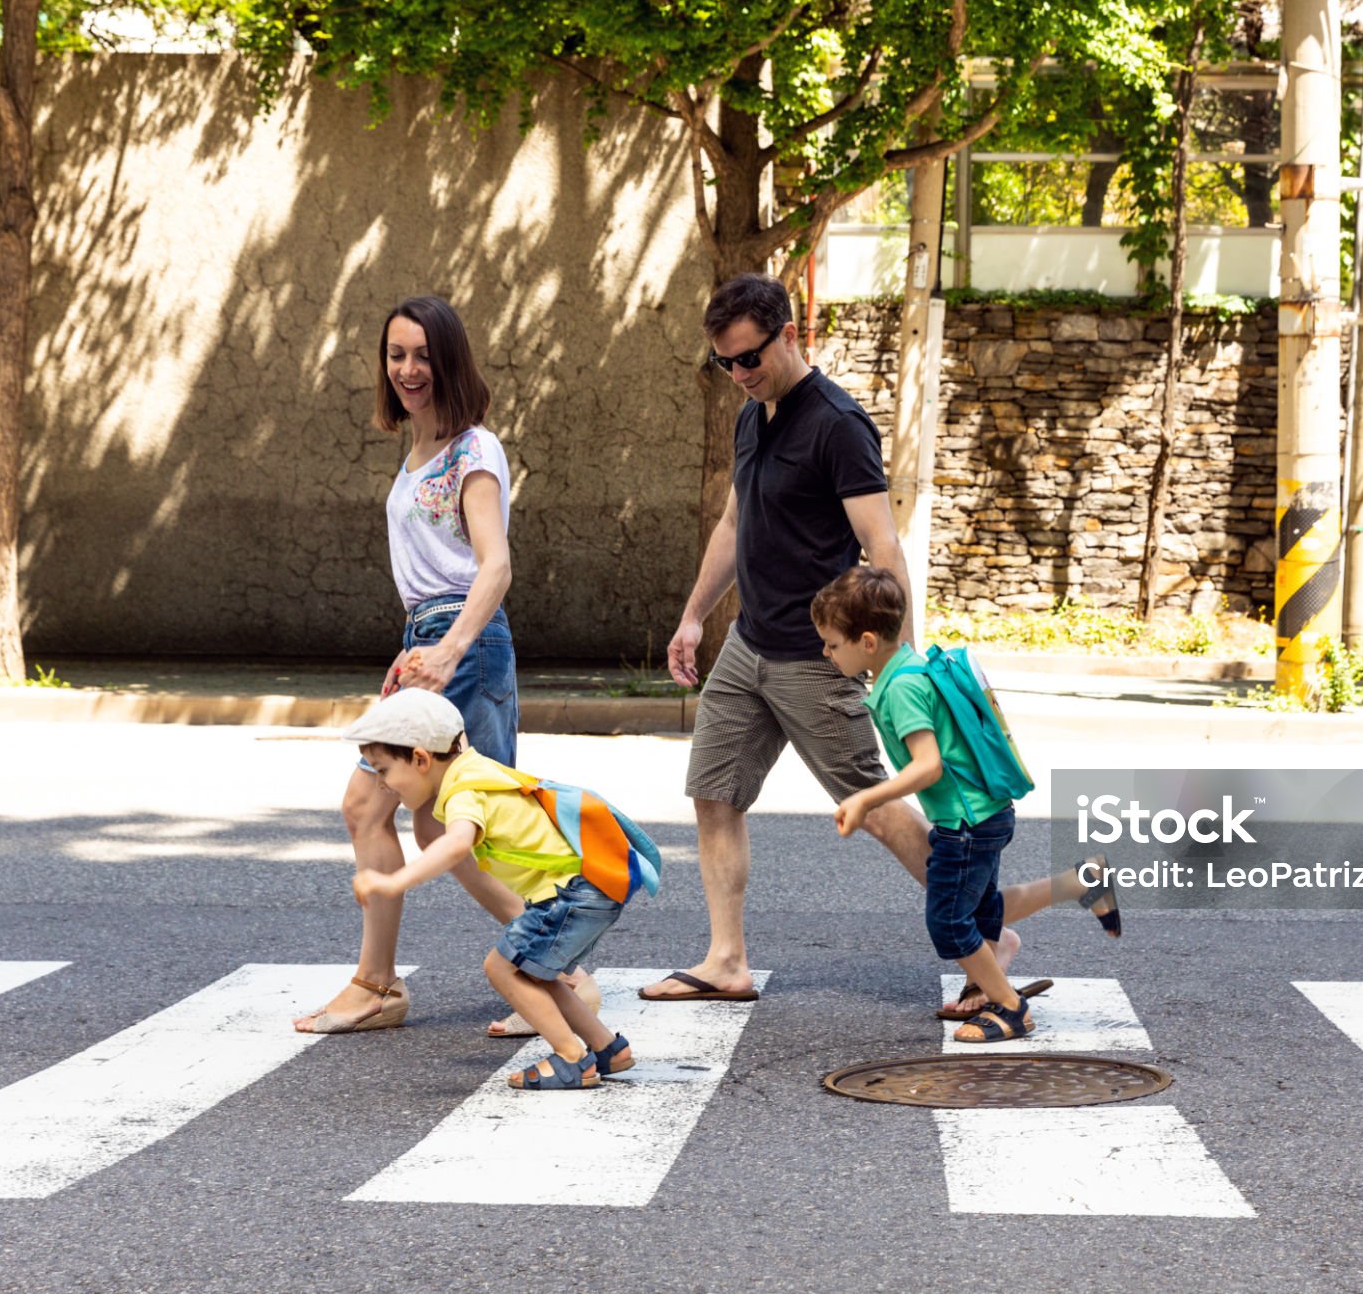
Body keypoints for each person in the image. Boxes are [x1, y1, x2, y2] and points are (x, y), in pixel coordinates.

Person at [643, 274, 1105, 1017]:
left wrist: (902, 661)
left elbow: (882, 544)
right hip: (748, 643)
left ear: (789, 335)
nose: (739, 374)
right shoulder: (752, 417)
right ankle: (726, 959)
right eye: (725, 363)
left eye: (750, 358)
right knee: (713, 793)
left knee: (883, 810)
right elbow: (734, 523)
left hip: (818, 654)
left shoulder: (838, 424)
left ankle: (990, 939)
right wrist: (695, 615)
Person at [293, 294, 598, 1033]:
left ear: (450, 361)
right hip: (431, 639)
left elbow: (495, 566)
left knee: (431, 819)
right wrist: (413, 653)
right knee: (426, 823)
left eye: (423, 356)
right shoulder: (418, 453)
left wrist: (449, 648)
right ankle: (534, 970)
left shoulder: (473, 451)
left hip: (466, 641)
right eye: (396, 355)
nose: (408, 369)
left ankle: (545, 973)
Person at [344, 690, 644, 1089]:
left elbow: (455, 844)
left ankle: (572, 1059)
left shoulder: (463, 792)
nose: (382, 785)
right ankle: (608, 1048)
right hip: (587, 889)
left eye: (383, 771)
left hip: (571, 894)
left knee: (501, 967)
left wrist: (393, 880)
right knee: (535, 972)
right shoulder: (476, 769)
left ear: (420, 759)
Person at [814, 566, 1036, 1041]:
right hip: (986, 813)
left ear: (867, 642)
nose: (826, 653)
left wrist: (866, 797)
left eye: (832, 644)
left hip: (966, 823)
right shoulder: (912, 667)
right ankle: (989, 986)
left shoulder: (901, 689)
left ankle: (1010, 1008)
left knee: (948, 922)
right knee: (980, 910)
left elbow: (928, 766)